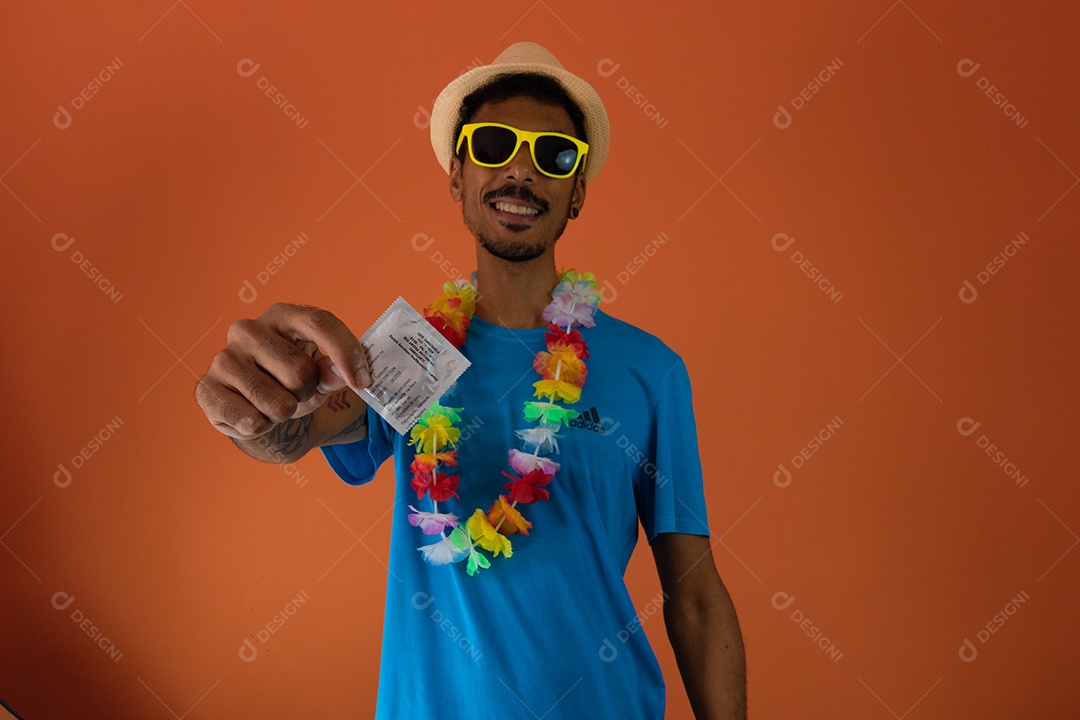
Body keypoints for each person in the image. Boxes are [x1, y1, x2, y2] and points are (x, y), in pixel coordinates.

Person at [196, 42, 746, 719]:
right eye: (493, 145)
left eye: (554, 156)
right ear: (457, 176)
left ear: (576, 193)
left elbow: (693, 597)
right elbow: (287, 434)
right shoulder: (406, 356)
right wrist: (250, 410)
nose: (521, 169)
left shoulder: (649, 370)